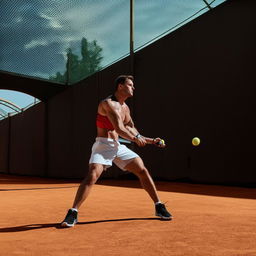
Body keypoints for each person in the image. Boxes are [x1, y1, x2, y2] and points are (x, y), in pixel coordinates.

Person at [61, 75, 172, 227]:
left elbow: (132, 128)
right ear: (121, 86)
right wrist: (135, 139)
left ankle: (159, 206)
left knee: (142, 170)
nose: (133, 88)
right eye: (130, 85)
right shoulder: (108, 104)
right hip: (102, 145)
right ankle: (73, 212)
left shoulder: (125, 108)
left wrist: (151, 140)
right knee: (92, 175)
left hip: (118, 146)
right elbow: (119, 128)